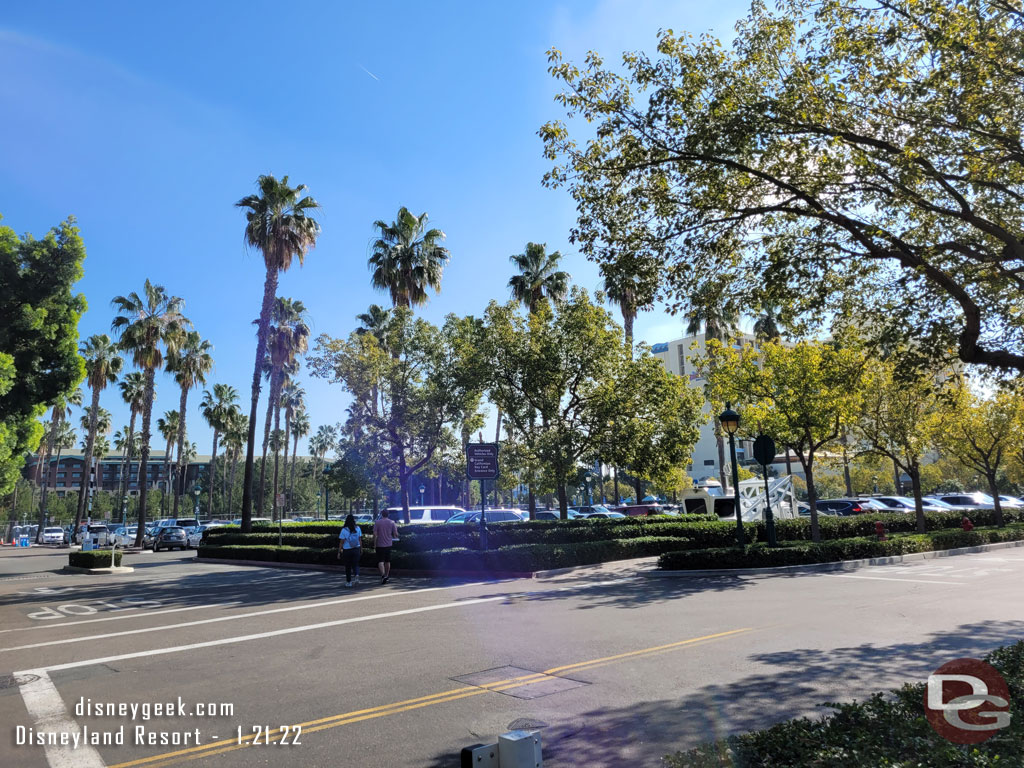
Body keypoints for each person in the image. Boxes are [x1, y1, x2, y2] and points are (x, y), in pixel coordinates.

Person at [372, 509, 399, 584]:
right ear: (388, 514)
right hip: (388, 544)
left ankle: (383, 575)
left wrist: (374, 544)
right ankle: (387, 576)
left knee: (380, 561)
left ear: (381, 514)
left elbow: (375, 534)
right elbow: (396, 534)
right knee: (387, 561)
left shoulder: (377, 522)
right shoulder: (392, 522)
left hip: (379, 544)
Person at [337, 514, 362, 587]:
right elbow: (360, 540)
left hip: (347, 550)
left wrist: (339, 551)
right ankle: (356, 574)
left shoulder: (344, 530)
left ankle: (349, 582)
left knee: (348, 566)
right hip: (356, 548)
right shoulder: (358, 528)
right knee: (356, 564)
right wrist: (361, 549)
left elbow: (342, 542)